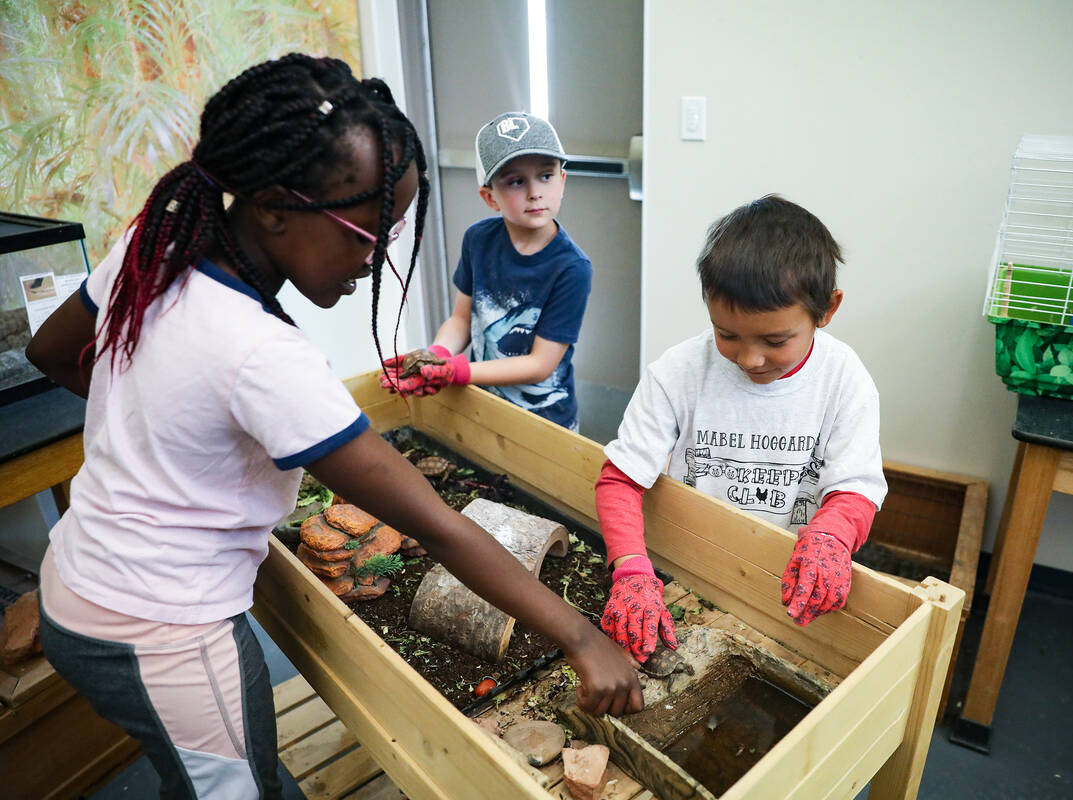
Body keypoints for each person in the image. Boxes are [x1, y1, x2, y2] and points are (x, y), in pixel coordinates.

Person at [25, 55, 641, 800]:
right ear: (274, 206)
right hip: (163, 629)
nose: (377, 255)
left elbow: (51, 351)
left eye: (394, 230)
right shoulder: (263, 356)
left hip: (78, 576)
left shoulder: (153, 245)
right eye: (363, 231)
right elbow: (440, 528)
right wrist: (581, 636)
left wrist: (157, 425)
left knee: (193, 771)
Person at [594, 195, 887, 663]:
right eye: (726, 334)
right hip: (685, 571)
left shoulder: (844, 379)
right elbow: (620, 480)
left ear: (827, 310)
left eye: (775, 341)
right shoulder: (679, 372)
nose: (750, 359)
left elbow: (856, 487)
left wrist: (831, 537)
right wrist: (631, 568)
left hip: (786, 577)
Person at [379, 111, 591, 431]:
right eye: (516, 181)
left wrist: (455, 372)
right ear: (489, 197)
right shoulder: (478, 240)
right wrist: (435, 356)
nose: (535, 192)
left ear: (562, 180)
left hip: (545, 420)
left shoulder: (572, 268)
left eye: (545, 176)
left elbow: (540, 364)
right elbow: (461, 319)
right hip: (483, 403)